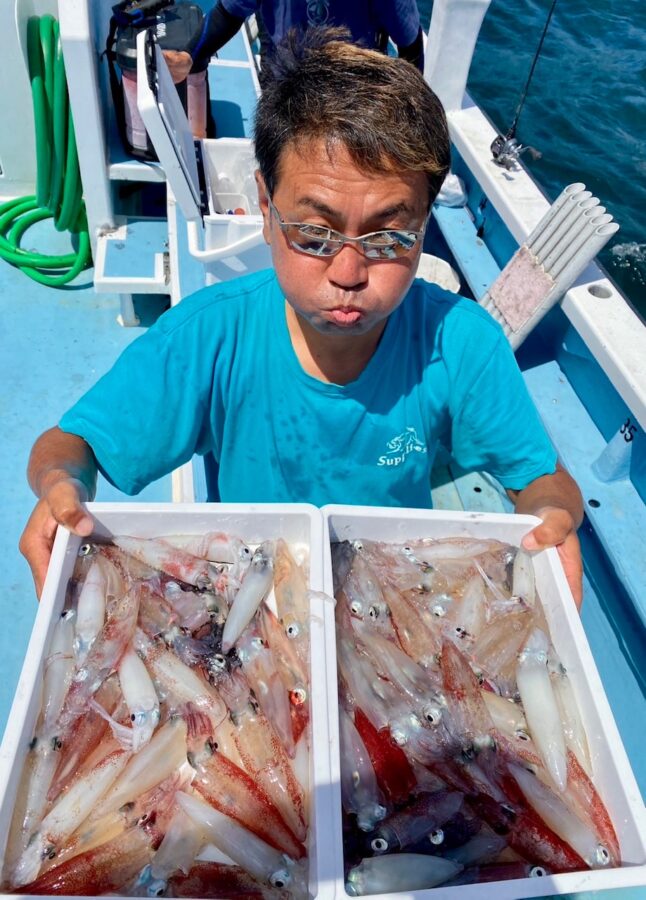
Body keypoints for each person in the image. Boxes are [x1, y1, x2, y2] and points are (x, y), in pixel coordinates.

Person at [20, 29, 584, 607]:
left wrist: (552, 515)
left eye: (389, 236)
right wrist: (63, 487)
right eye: (315, 233)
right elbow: (68, 445)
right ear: (266, 209)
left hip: (387, 598)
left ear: (423, 228)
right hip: (252, 592)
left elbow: (543, 479)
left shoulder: (463, 344)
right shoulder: (209, 338)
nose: (348, 270)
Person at [163, 0, 424, 83]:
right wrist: (189, 56)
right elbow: (228, 12)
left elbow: (410, 47)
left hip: (353, 84)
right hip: (285, 78)